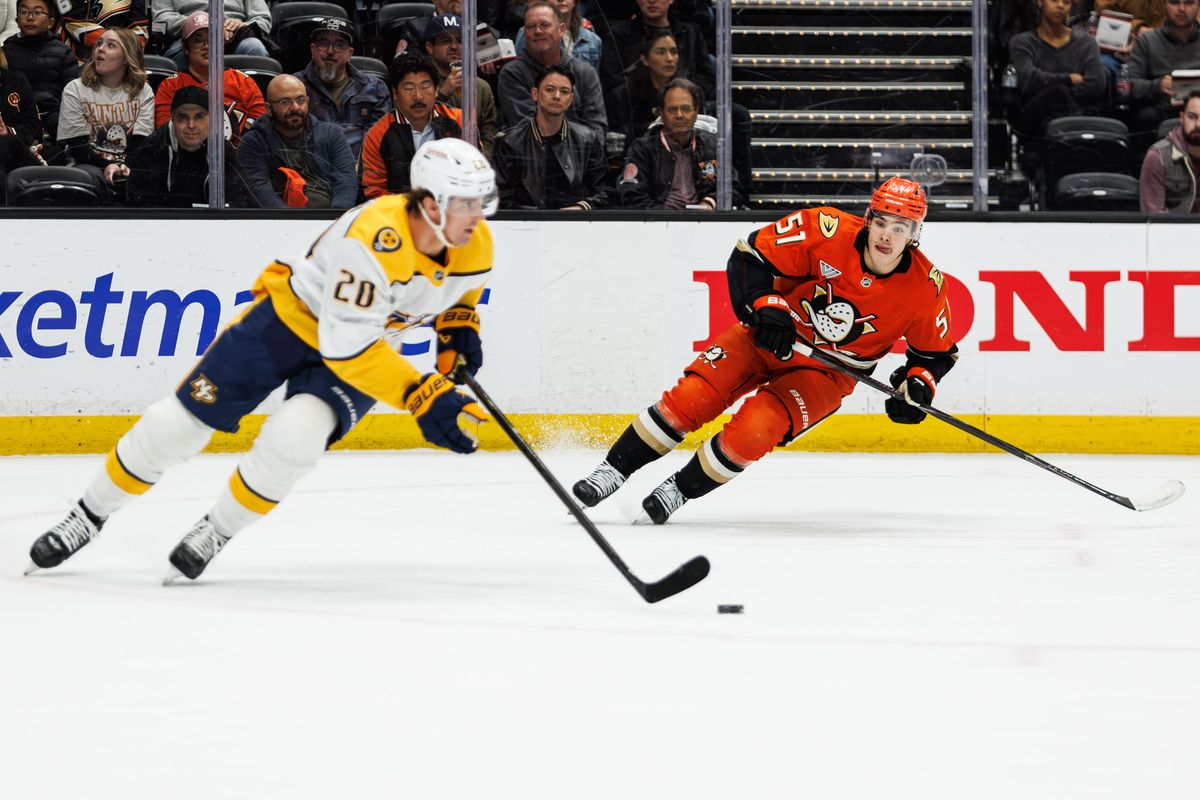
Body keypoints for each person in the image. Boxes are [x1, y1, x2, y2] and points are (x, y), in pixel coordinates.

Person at [25, 138, 498, 583]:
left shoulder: (475, 242)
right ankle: (87, 515)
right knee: (174, 426)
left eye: (481, 201)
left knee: (296, 439)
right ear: (430, 205)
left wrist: (458, 324)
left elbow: (461, 289)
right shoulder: (376, 237)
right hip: (291, 323)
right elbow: (347, 347)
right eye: (467, 203)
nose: (478, 215)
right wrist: (419, 394)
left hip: (366, 345)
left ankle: (217, 529)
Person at [572, 178, 959, 524]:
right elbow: (750, 255)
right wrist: (767, 305)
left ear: (915, 234)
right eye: (881, 222)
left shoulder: (926, 288)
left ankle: (677, 491)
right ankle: (612, 471)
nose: (886, 236)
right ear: (868, 219)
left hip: (827, 373)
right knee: (691, 398)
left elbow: (934, 355)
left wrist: (918, 385)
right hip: (769, 338)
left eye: (900, 227)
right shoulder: (823, 229)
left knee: (756, 430)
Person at [57, 27, 155, 200]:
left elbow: (141, 143)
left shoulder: (143, 90)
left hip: (129, 164)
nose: (100, 49)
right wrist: (108, 166)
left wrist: (123, 166)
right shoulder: (75, 89)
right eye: (99, 44)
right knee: (93, 178)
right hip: (86, 166)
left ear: (126, 57)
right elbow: (78, 148)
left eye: (111, 45)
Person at [493, 63, 609, 209]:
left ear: (571, 99)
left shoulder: (587, 139)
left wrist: (582, 207)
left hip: (574, 220)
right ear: (535, 94)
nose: (557, 96)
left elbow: (606, 191)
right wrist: (537, 217)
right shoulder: (510, 142)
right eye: (550, 89)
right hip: (526, 221)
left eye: (564, 91)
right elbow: (500, 198)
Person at [236, 73, 357, 208]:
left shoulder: (331, 134)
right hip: (281, 218)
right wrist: (289, 219)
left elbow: (346, 179)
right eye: (285, 102)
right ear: (268, 109)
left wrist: (338, 216)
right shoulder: (253, 142)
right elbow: (259, 190)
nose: (295, 108)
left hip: (331, 216)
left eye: (300, 100)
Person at [617, 77, 741, 209]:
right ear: (661, 113)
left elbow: (731, 187)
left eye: (686, 109)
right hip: (659, 219)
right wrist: (667, 216)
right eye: (672, 110)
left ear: (696, 112)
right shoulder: (643, 148)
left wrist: (709, 203)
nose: (679, 115)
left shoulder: (711, 145)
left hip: (704, 218)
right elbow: (632, 196)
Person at [153, 11, 266, 147]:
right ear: (186, 48)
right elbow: (165, 134)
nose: (206, 46)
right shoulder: (170, 86)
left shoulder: (244, 82)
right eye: (197, 40)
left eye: (212, 39)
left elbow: (261, 128)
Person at [126, 85, 251, 207]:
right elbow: (142, 205)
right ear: (172, 119)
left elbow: (237, 202)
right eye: (183, 117)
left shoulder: (222, 151)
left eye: (199, 117)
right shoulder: (152, 150)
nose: (191, 125)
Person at [360, 52, 462, 198]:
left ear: (436, 90)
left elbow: (474, 174)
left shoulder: (459, 121)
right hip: (400, 210)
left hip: (452, 206)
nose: (418, 96)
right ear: (395, 93)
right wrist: (412, 208)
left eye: (425, 86)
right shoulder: (378, 135)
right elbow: (375, 191)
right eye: (408, 88)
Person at [497, 1, 606, 131]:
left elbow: (597, 128)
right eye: (531, 26)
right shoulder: (512, 73)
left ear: (561, 30)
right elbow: (527, 128)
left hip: (582, 145)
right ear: (524, 33)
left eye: (545, 25)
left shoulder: (585, 73)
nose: (538, 31)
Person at [293, 17, 391, 161]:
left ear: (349, 53)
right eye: (323, 43)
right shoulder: (295, 86)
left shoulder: (374, 88)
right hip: (312, 167)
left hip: (360, 167)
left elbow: (377, 140)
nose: (330, 51)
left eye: (339, 45)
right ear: (312, 49)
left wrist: (359, 168)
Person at [1007, 0, 1107, 139]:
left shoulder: (1086, 43)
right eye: (1054, 0)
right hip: (1035, 118)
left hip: (1077, 115)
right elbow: (1027, 79)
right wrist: (1069, 79)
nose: (1060, 5)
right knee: (1058, 92)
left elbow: (1097, 84)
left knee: (1060, 93)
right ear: (1040, 2)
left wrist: (1062, 94)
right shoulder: (1022, 42)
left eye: (1066, 2)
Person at [598, 0, 715, 100]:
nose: (652, 1)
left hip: (685, 102)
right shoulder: (620, 35)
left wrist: (682, 92)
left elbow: (707, 76)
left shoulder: (690, 33)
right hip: (637, 108)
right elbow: (613, 80)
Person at [2, 0, 80, 145]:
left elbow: (73, 95)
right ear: (17, 21)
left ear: (50, 22)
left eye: (37, 12)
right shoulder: (6, 52)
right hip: (18, 122)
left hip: (55, 121)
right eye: (23, 12)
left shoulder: (63, 52)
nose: (30, 17)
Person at [424, 12, 498, 159]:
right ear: (430, 47)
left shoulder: (481, 86)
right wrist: (443, 94)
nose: (454, 46)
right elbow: (417, 127)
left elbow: (489, 132)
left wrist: (481, 161)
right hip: (432, 159)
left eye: (460, 40)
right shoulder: (421, 84)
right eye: (445, 40)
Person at [1126, 0, 1200, 132]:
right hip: (1159, 113)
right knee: (1144, 116)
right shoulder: (1147, 40)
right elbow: (1128, 85)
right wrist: (1157, 85)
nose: (1182, 9)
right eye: (1174, 2)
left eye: (1188, 3)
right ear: (1164, 5)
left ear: (1198, 6)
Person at [153, 0, 271, 71]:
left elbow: (263, 19)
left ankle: (256, 102)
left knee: (255, 47)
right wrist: (204, 23)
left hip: (234, 34)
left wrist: (242, 25)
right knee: (179, 52)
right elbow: (162, 17)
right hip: (190, 35)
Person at [1139, 88, 1200, 210]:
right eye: (1192, 117)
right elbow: (1153, 216)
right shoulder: (1157, 157)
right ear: (1182, 118)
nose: (1198, 124)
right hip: (1174, 223)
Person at [515, 0, 602, 72]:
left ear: (574, 2)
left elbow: (593, 81)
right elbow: (521, 70)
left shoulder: (592, 39)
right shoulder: (530, 32)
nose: (561, 0)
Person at [0, 43, 39, 201]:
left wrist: (7, 131)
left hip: (16, 151)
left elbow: (33, 125)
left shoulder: (16, 80)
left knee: (8, 141)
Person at [59, 0, 149, 63]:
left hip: (122, 63)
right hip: (77, 61)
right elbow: (74, 21)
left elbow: (139, 29)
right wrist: (115, 44)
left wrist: (118, 47)